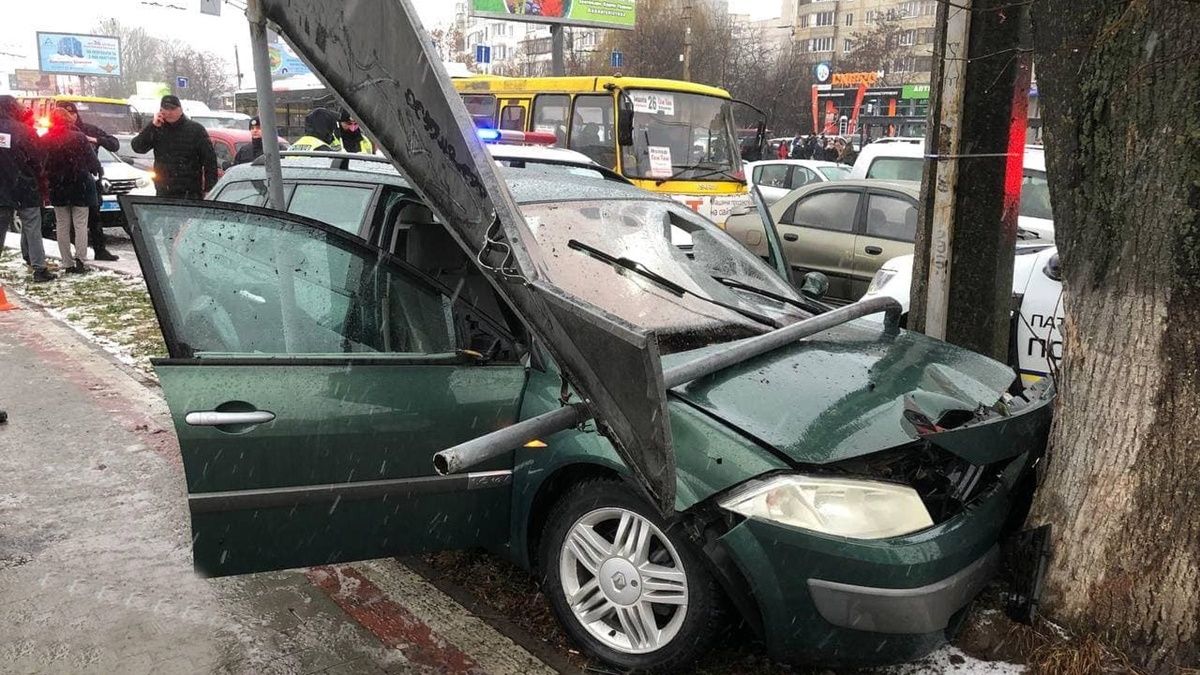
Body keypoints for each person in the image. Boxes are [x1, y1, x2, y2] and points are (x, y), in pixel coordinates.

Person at [0, 96, 54, 282]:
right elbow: (38, 159)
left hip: (1, 190)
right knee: (32, 229)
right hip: (25, 187)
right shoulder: (25, 131)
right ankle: (39, 268)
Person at [58, 101, 120, 261]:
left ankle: (99, 250)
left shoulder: (87, 130)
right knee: (70, 224)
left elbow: (114, 144)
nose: (70, 117)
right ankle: (75, 255)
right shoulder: (55, 134)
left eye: (72, 113)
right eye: (65, 113)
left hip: (88, 181)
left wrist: (95, 140)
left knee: (94, 217)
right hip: (65, 181)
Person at [43, 107, 100, 275]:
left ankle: (67, 262)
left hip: (58, 186)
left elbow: (43, 164)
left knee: (62, 225)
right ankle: (80, 260)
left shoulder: (46, 139)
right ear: (69, 119)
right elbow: (92, 160)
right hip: (80, 185)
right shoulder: (79, 137)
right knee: (81, 224)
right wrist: (96, 170)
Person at [130, 95, 218, 199]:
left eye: (173, 109)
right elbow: (138, 147)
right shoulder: (157, 129)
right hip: (164, 191)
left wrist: (209, 189)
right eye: (165, 109)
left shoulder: (195, 130)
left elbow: (210, 161)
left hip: (190, 192)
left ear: (180, 110)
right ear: (160, 111)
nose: (169, 113)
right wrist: (152, 127)